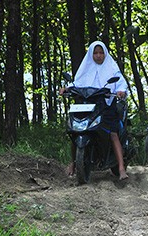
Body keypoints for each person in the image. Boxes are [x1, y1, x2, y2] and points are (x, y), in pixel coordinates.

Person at [61, 41, 129, 181]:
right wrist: (66, 89)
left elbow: (121, 83)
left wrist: (121, 91)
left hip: (105, 105)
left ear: (105, 53)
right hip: (86, 105)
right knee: (75, 131)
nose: (98, 56)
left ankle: (121, 168)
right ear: (91, 54)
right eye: (95, 53)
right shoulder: (85, 68)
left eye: (101, 52)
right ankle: (73, 164)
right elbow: (76, 83)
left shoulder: (112, 68)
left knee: (113, 134)